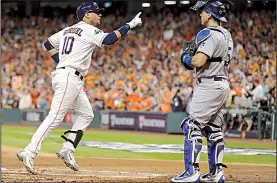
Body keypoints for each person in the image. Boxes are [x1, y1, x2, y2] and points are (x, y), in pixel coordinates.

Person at [17, 1, 142, 174]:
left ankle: (67, 149)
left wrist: (62, 62)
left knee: (86, 114)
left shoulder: (68, 30)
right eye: (96, 12)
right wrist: (129, 25)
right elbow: (109, 39)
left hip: (68, 76)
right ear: (86, 15)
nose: (99, 15)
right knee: (55, 117)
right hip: (69, 77)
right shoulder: (88, 29)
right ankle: (29, 151)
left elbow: (47, 45)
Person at [171, 1, 233, 183]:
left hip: (208, 85)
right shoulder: (227, 34)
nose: (200, 15)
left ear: (209, 14)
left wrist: (186, 57)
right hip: (222, 84)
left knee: (191, 126)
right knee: (214, 129)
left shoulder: (208, 33)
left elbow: (198, 61)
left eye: (202, 12)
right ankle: (216, 173)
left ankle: (192, 172)